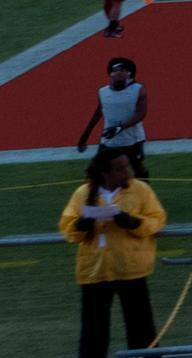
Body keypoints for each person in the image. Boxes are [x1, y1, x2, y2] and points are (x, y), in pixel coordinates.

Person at [60, 146, 166, 358]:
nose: (126, 172)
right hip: (94, 273)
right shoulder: (82, 194)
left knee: (142, 330)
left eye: (126, 167)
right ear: (104, 172)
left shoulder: (141, 190)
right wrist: (82, 224)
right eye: (119, 169)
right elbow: (68, 228)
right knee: (93, 333)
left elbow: (157, 219)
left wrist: (133, 222)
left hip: (131, 270)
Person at [75, 57, 149, 178]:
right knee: (93, 171)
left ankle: (145, 195)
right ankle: (94, 195)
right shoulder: (103, 92)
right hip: (109, 140)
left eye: (122, 70)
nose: (118, 72)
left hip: (132, 139)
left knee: (138, 170)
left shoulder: (138, 90)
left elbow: (141, 114)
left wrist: (120, 127)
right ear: (110, 74)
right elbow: (98, 112)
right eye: (115, 70)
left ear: (129, 73)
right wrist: (85, 136)